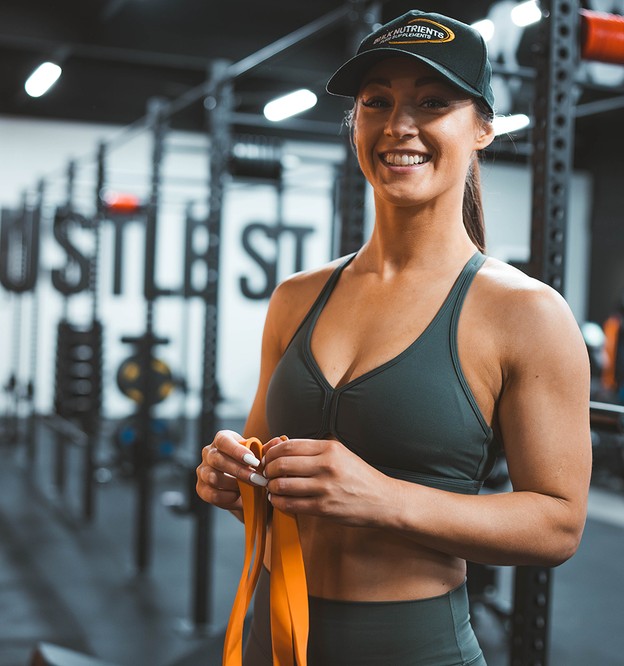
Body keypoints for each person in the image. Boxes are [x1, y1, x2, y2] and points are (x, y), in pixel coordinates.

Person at [196, 9, 592, 665]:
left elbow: (557, 523)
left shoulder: (526, 312)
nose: (398, 125)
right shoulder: (297, 298)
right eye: (376, 102)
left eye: (432, 103)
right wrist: (233, 477)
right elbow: (268, 479)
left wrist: (386, 500)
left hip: (411, 647)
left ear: (483, 129)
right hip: (276, 635)